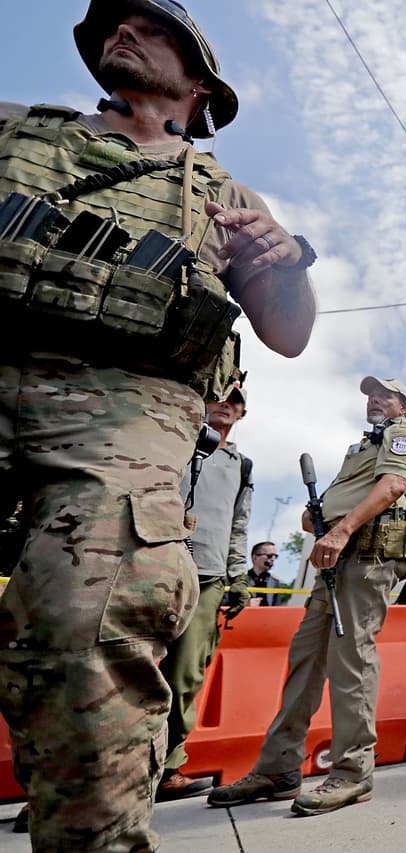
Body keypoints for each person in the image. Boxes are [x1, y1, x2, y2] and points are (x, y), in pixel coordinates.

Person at [0, 1, 317, 848]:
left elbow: (289, 331)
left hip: (120, 421)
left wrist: (282, 258)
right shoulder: (18, 132)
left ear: (200, 83)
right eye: (113, 22)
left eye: (153, 26)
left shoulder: (224, 195)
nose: (122, 30)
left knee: (88, 623)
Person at [207, 377, 406, 816]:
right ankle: (278, 767)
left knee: (351, 659)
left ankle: (351, 772)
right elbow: (331, 506)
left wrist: (341, 529)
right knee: (306, 657)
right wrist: (318, 516)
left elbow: (392, 487)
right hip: (337, 563)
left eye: (385, 395)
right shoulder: (360, 449)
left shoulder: (403, 435)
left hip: (368, 559)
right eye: (369, 395)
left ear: (404, 404)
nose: (375, 400)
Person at [157, 381, 255, 801]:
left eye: (236, 401)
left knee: (184, 677)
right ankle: (74, 784)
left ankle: (166, 769)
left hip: (208, 578)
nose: (227, 405)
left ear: (242, 414)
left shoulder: (242, 465)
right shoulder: (170, 442)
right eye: (222, 396)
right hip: (152, 566)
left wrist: (238, 578)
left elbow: (238, 526)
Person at [247, 541, 287, 607]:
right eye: (270, 556)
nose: (273, 559)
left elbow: (277, 608)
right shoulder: (239, 580)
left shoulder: (274, 582)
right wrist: (245, 605)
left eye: (275, 556)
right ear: (254, 558)